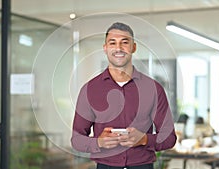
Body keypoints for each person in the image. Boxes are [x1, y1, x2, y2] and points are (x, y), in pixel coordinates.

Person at [71, 22, 177, 169]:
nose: (119, 48)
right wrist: (99, 142)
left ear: (133, 47)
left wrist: (144, 139)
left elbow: (170, 138)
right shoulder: (89, 89)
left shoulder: (153, 89)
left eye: (125, 42)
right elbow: (76, 140)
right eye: (112, 43)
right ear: (105, 48)